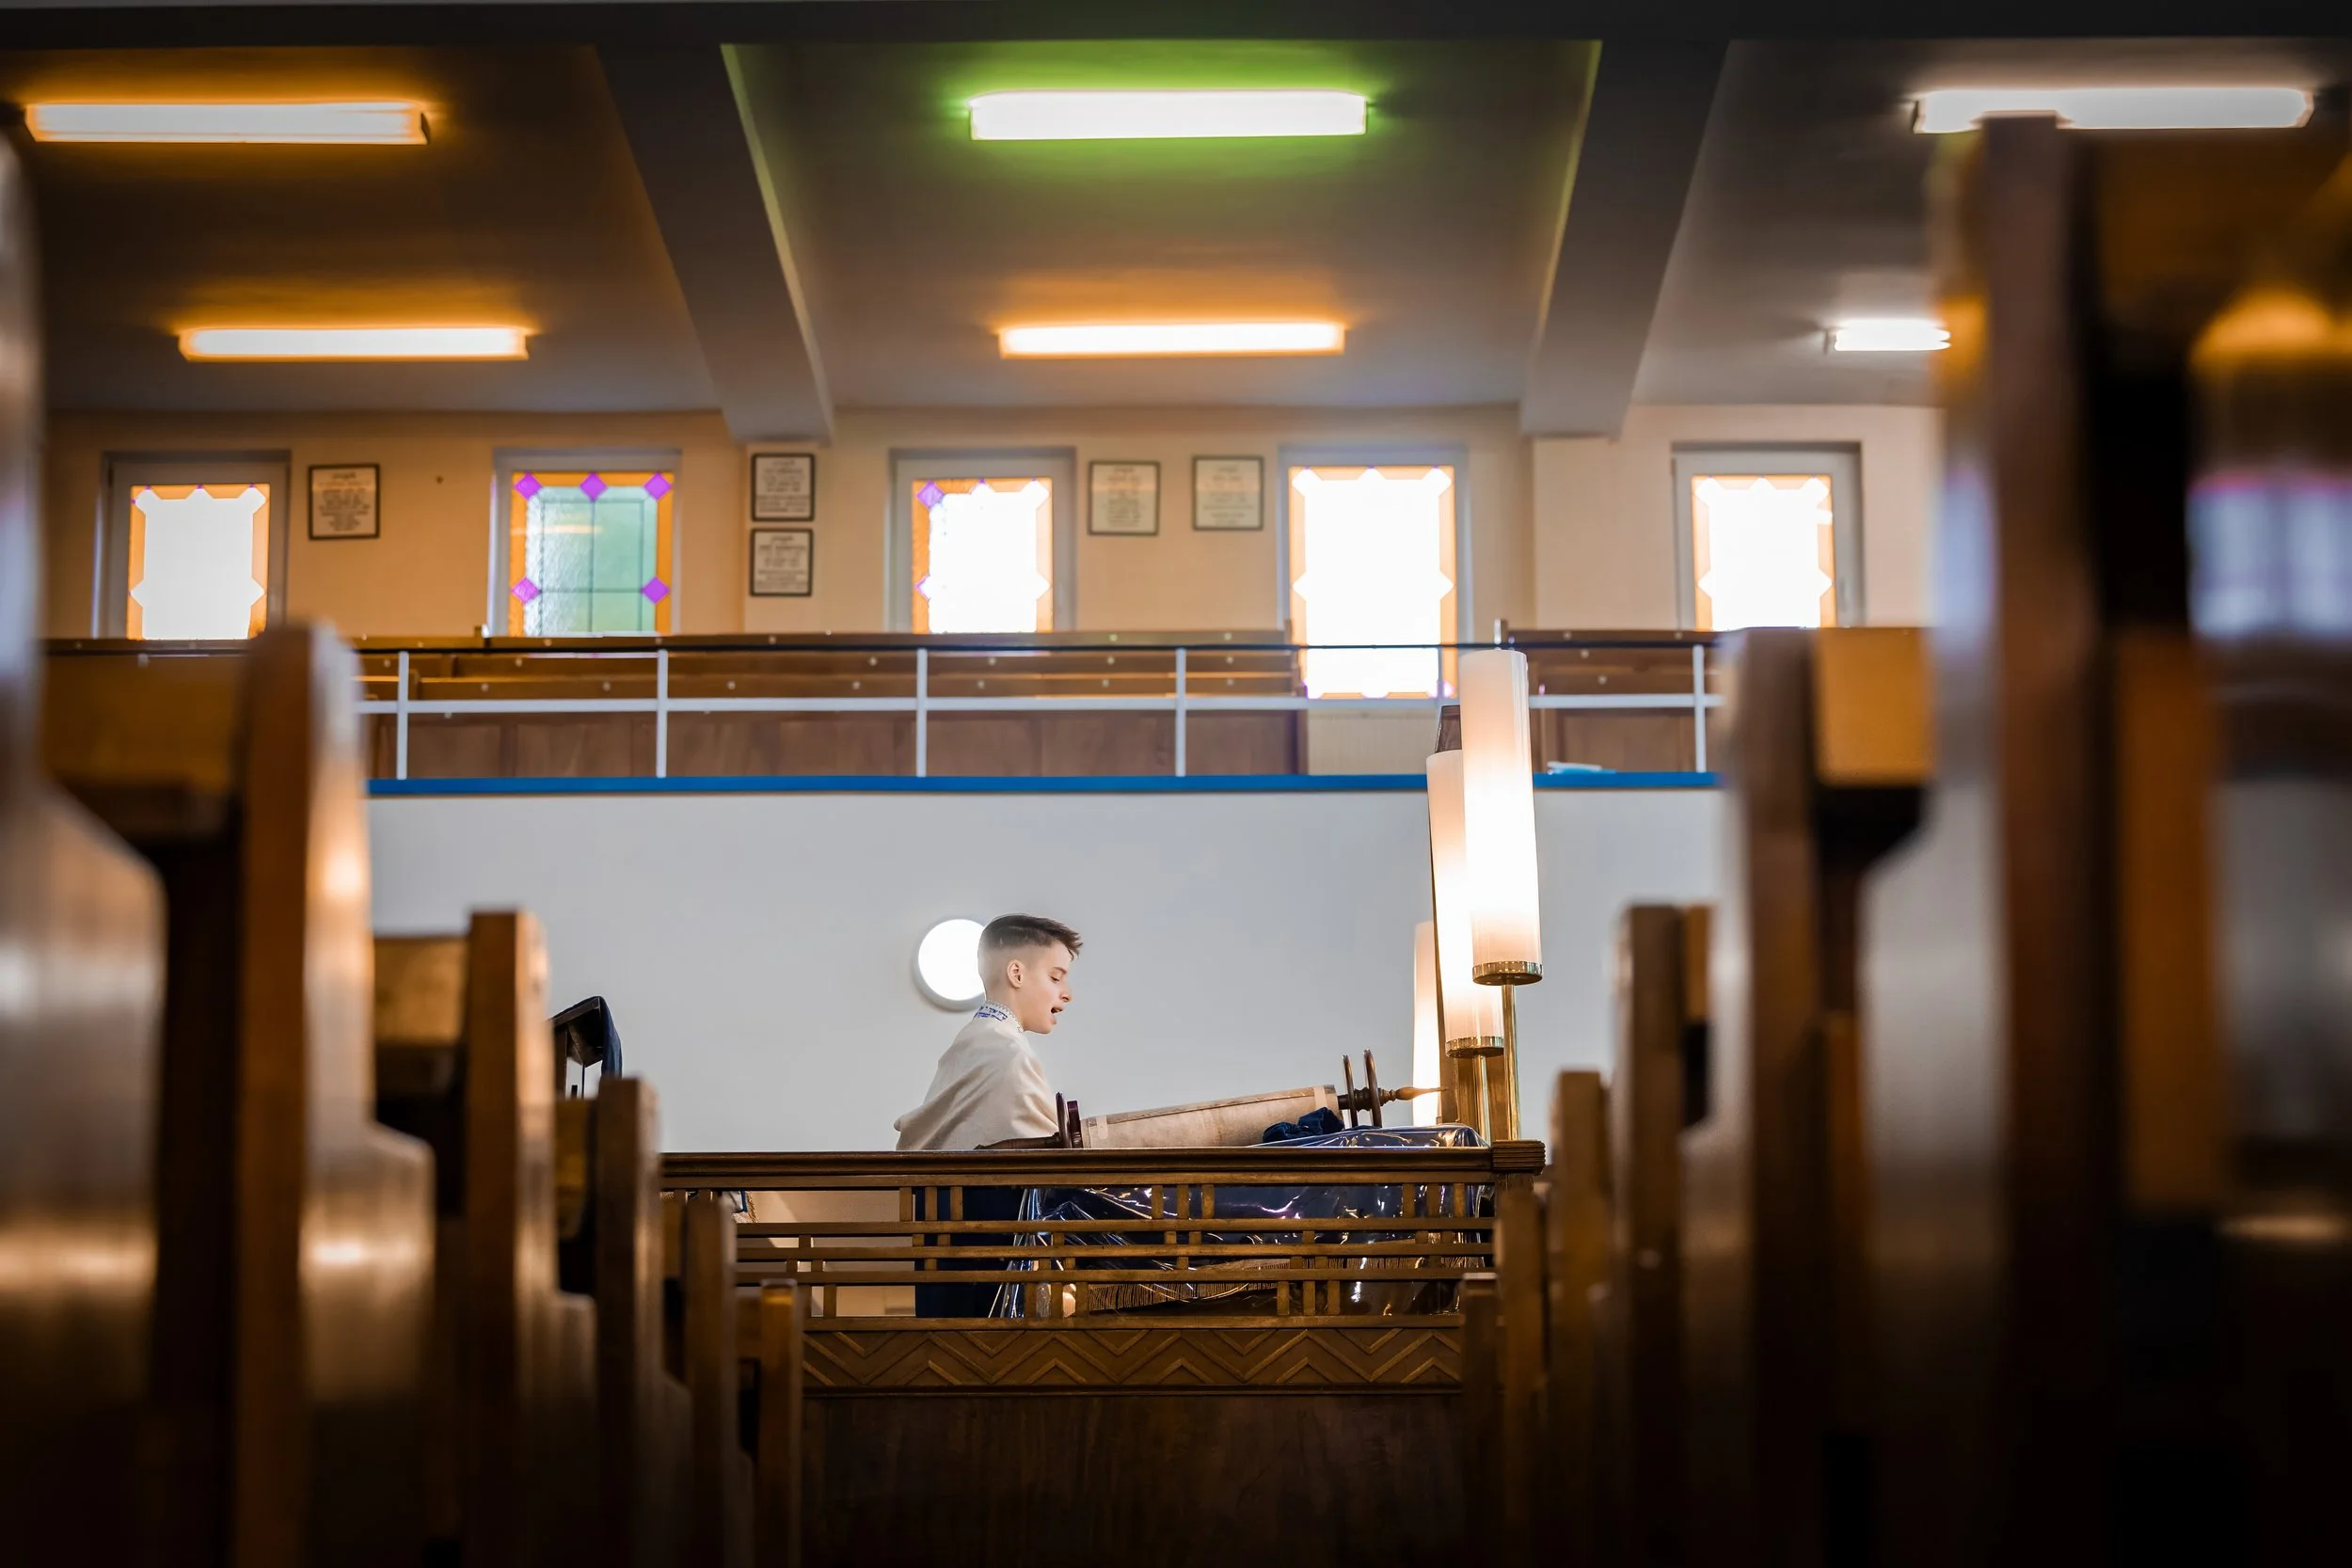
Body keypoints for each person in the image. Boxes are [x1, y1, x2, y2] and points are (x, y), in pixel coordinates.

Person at [894, 913, 1082, 1317]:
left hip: (954, 1237)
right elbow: (1047, 1159)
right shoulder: (1003, 1051)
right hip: (980, 1247)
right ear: (1016, 972)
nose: (1067, 994)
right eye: (1056, 976)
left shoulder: (984, 1039)